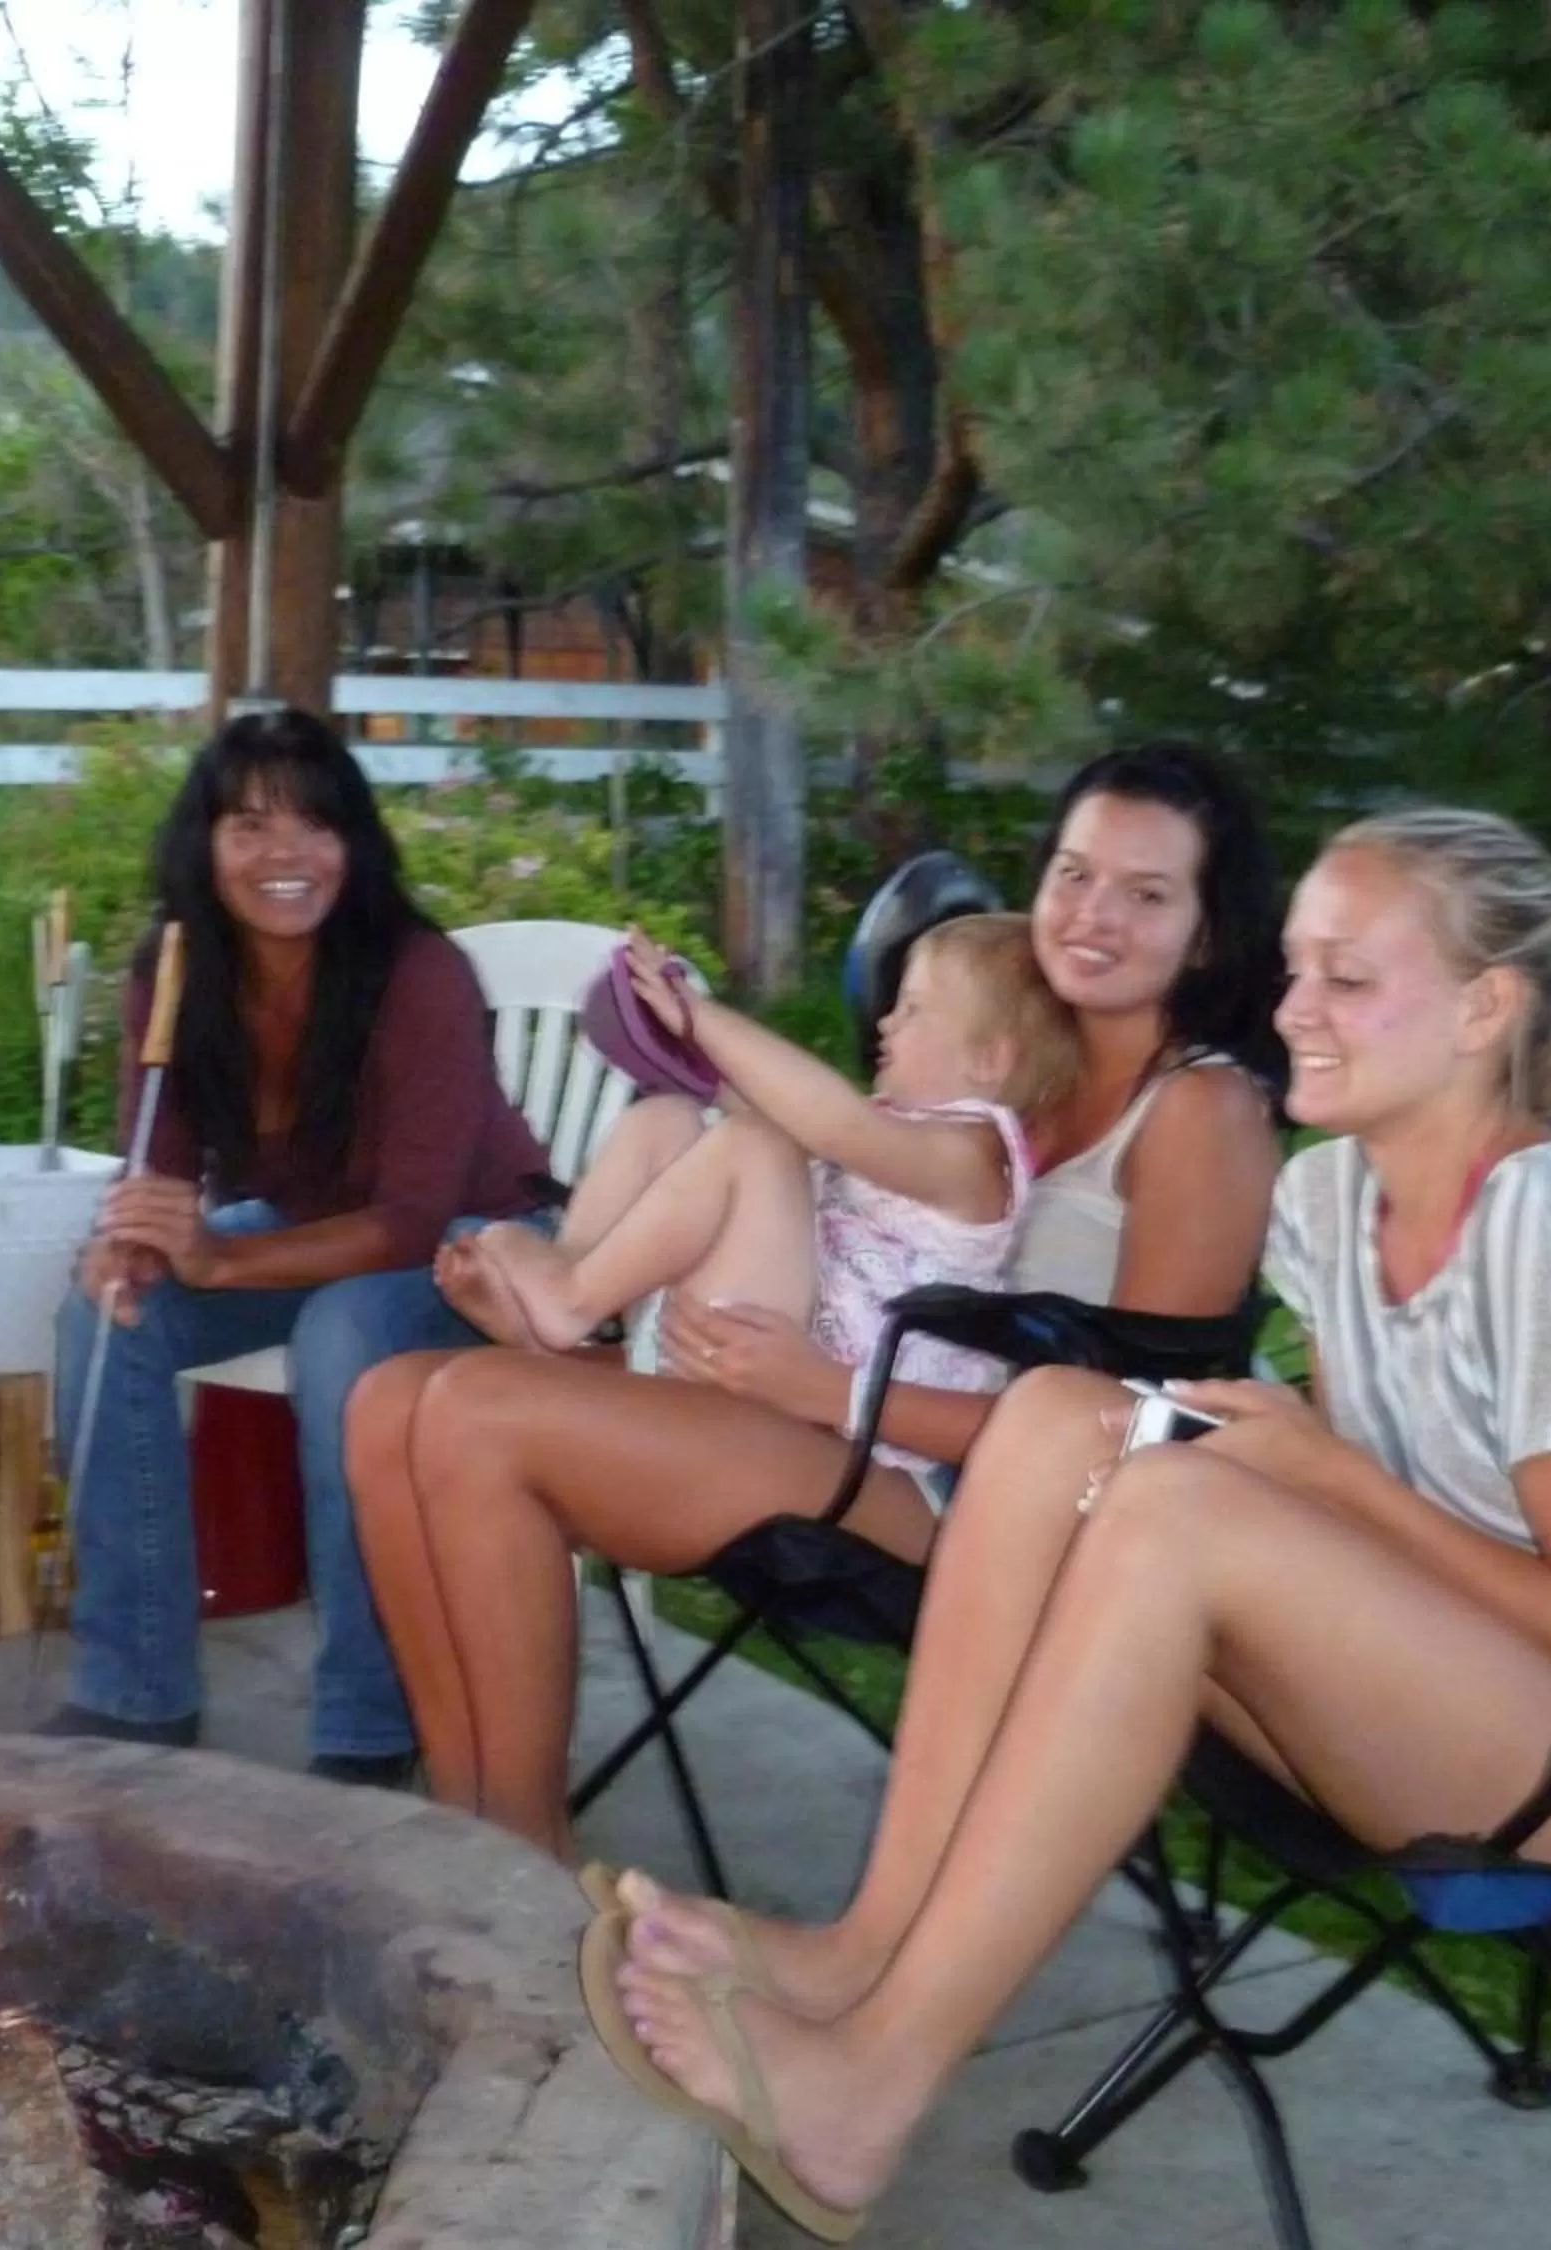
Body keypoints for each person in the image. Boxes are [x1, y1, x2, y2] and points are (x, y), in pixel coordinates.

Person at [589, 806, 1551, 2242]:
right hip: (1479, 1695)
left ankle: (870, 2084)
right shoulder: (1329, 1197)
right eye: (1295, 967)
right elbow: (1371, 1466)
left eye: (1349, 978)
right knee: (1064, 1412)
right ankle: (864, 1947)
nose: (1293, 1007)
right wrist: (1233, 1447)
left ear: (1488, 1008)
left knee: (1175, 1515)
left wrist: (1324, 1479)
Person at [344, 742, 1289, 1857]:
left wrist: (832, 1390)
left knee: (472, 1415)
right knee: (393, 1400)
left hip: (966, 1496)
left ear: (1210, 929)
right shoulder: (1009, 1057)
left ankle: (522, 1862)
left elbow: (1141, 1432)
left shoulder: (1199, 1113)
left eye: (1147, 893)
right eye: (1074, 874)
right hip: (824, 1397)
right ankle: (470, 1834)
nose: (1094, 915)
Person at [42, 706, 553, 1782]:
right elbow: (162, 1165)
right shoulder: (175, 973)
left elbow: (413, 1220)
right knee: (106, 1314)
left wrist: (219, 1260)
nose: (286, 857)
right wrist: (131, 1243)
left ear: (354, 844)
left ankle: (371, 1720)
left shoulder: (418, 975)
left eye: (315, 827)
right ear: (205, 847)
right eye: (250, 828)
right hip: (314, 1225)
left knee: (343, 1332)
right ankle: (137, 1690)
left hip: (482, 1242)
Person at [447, 914, 1077, 1479]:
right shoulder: (909, 1133)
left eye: (912, 1010)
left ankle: (571, 1303)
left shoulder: (972, 1160)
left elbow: (831, 1125)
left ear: (989, 1061)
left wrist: (702, 1017)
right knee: (667, 1117)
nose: (886, 1021)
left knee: (756, 1147)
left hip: (806, 1406)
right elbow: (805, 1124)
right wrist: (694, 1066)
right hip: (742, 1340)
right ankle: (574, 1295)